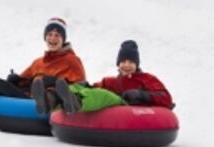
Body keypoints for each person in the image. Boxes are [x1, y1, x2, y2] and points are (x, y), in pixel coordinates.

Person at [33, 40, 174, 114]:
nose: (126, 65)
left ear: (137, 64)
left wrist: (142, 95)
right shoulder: (111, 81)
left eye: (131, 62)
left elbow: (166, 98)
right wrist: (83, 85)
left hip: (129, 108)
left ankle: (76, 102)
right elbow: (93, 88)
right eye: (123, 62)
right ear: (118, 64)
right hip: (115, 108)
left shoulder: (147, 79)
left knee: (104, 95)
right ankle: (50, 100)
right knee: (79, 87)